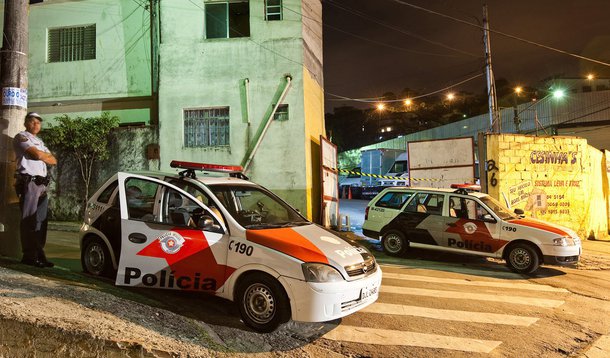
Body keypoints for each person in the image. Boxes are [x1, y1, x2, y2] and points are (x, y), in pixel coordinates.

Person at [13, 112, 57, 268]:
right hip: (29, 183)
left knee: (41, 221)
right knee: (29, 220)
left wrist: (43, 155)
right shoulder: (21, 137)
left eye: (38, 122)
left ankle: (39, 254)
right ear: (26, 123)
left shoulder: (39, 141)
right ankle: (29, 255)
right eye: (32, 122)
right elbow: (37, 155)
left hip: (42, 185)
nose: (36, 125)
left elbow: (54, 160)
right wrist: (43, 155)